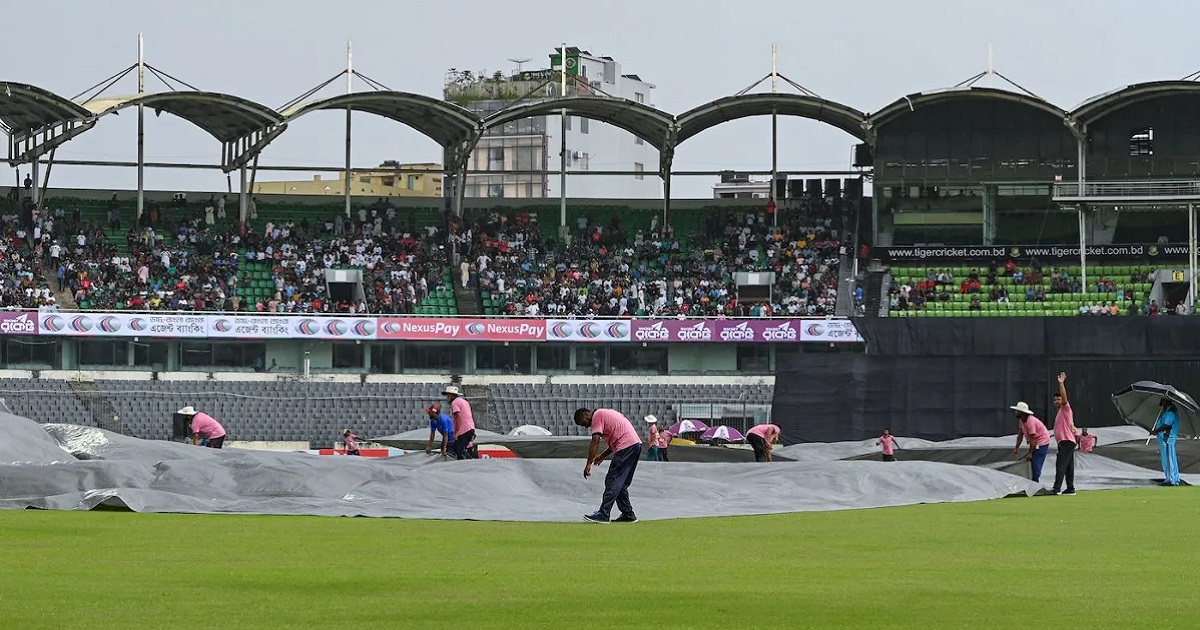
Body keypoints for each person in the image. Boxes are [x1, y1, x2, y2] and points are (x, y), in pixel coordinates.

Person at [575, 407, 642, 524]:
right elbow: (614, 441)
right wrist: (602, 456)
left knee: (612, 480)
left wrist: (588, 464)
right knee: (620, 484)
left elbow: (595, 441)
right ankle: (628, 514)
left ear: (586, 414)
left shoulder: (597, 416)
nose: (586, 427)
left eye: (584, 423)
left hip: (626, 446)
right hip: (634, 445)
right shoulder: (604, 414)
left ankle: (604, 514)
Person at [1051, 372, 1078, 495]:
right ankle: (1070, 488)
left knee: (1060, 464)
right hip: (1068, 441)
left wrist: (1061, 384)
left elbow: (1064, 397)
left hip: (1066, 442)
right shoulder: (1061, 413)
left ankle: (1056, 488)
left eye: (1059, 399)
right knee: (1068, 466)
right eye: (1055, 399)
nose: (1057, 401)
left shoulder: (1065, 408)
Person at [1011, 401, 1050, 483]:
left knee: (1036, 462)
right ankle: (1033, 481)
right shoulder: (1022, 421)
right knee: (1032, 462)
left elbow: (1033, 439)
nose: (1016, 412)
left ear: (1022, 412)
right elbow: (1020, 435)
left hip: (1042, 442)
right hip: (1035, 442)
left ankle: (1035, 482)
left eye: (1017, 411)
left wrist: (1030, 453)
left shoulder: (1030, 421)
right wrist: (1016, 448)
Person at [1149, 398, 1181, 486]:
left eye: (1162, 401)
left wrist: (1156, 431)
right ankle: (1172, 478)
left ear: (1167, 401)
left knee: (1169, 459)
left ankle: (1172, 480)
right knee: (1168, 459)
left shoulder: (1170, 412)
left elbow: (1167, 425)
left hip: (1167, 439)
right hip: (1165, 438)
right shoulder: (1167, 411)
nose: (1161, 402)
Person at [443, 386, 477, 460]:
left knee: (459, 451)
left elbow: (459, 417)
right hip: (470, 428)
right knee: (457, 448)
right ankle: (471, 459)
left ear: (452, 395)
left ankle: (465, 466)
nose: (447, 398)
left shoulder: (454, 403)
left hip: (463, 430)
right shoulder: (464, 402)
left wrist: (456, 432)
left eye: (448, 396)